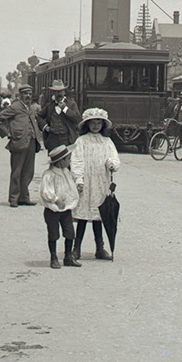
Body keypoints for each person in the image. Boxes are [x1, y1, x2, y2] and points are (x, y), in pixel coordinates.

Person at [70, 108, 121, 260]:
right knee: (83, 217)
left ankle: (100, 247)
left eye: (99, 122)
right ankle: (76, 248)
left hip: (101, 183)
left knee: (100, 215)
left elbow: (115, 158)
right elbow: (77, 161)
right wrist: (78, 179)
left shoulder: (107, 142)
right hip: (86, 183)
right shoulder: (81, 141)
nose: (96, 126)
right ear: (87, 124)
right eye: (93, 122)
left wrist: (112, 164)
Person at [0, 85, 43, 207]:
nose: (28, 96)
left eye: (30, 94)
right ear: (20, 95)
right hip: (18, 143)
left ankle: (24, 197)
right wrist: (8, 133)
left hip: (31, 142)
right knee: (17, 172)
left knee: (28, 172)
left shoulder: (30, 108)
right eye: (25, 94)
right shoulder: (15, 107)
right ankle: (14, 199)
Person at [39, 144, 80, 269]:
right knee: (53, 233)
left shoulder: (66, 172)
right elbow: (46, 191)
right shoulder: (49, 175)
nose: (69, 161)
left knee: (70, 233)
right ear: (60, 161)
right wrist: (56, 199)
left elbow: (70, 186)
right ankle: (53, 257)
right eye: (68, 159)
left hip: (66, 209)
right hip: (53, 210)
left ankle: (68, 256)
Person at [37, 79, 81, 152]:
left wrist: (65, 109)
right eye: (56, 92)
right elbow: (38, 116)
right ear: (53, 93)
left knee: (67, 161)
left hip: (67, 139)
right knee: (54, 162)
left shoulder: (71, 104)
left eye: (60, 91)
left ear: (64, 92)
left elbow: (78, 119)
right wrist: (45, 127)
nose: (58, 94)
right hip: (53, 140)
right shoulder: (49, 106)